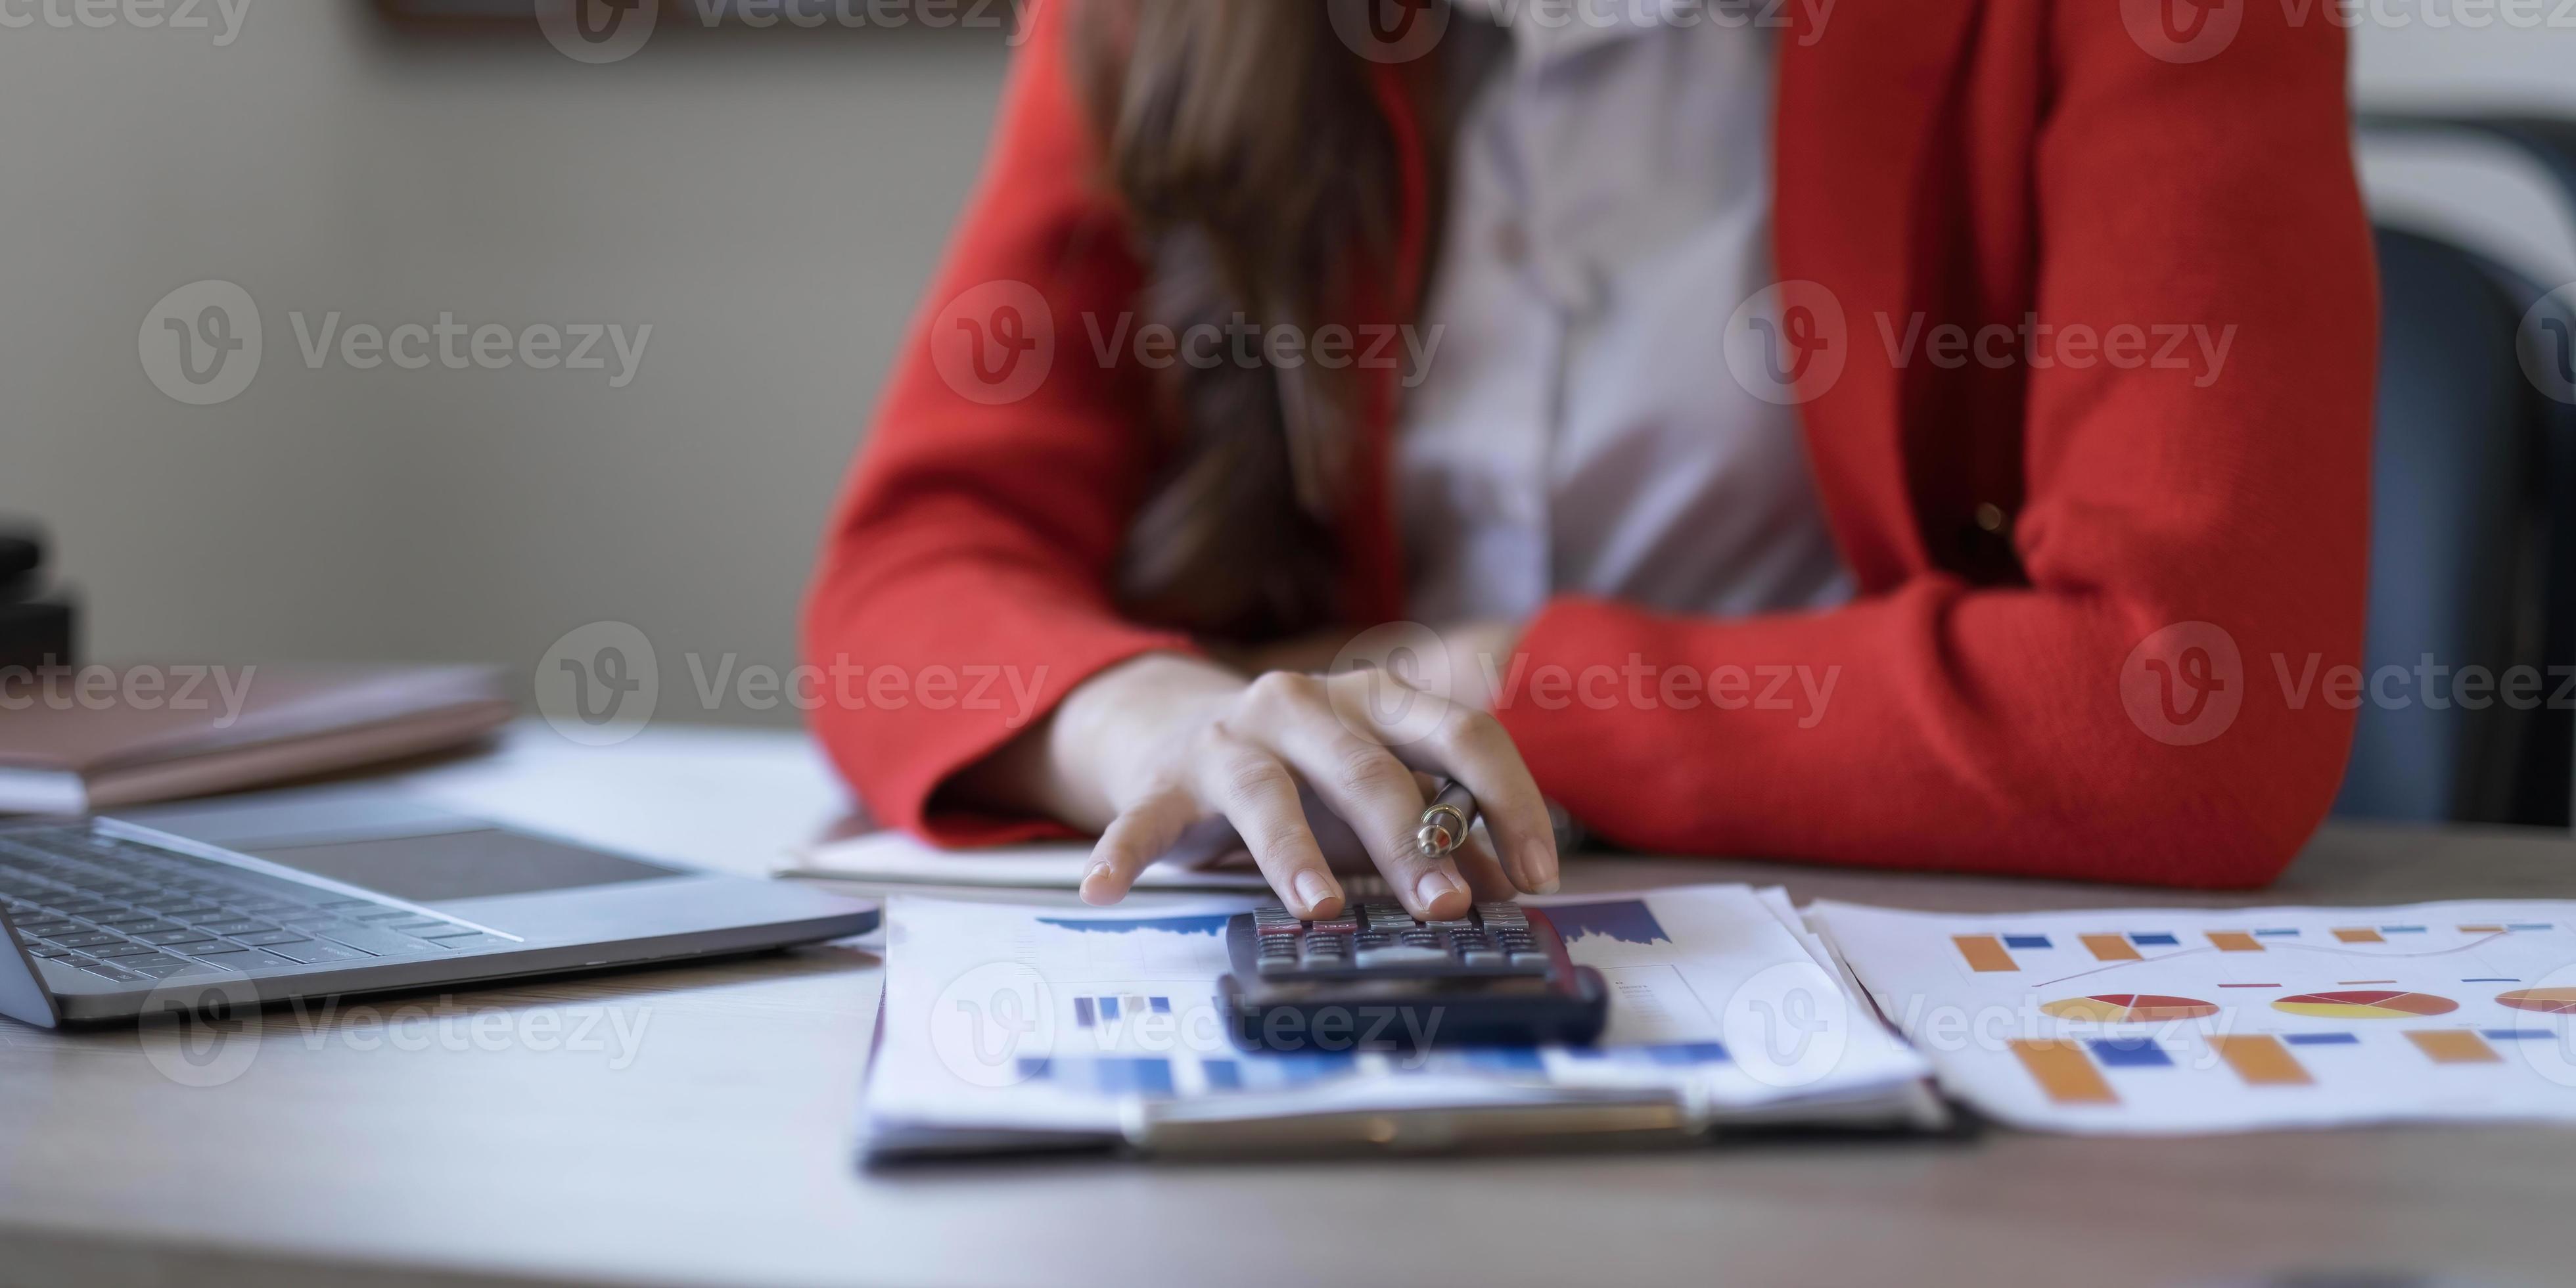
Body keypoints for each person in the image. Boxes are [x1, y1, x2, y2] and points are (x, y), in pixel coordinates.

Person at [802, 0, 2378, 921]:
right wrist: (1168, 720)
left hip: (1894, 977)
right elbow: (908, 580)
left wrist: (1479, 686)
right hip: (1353, 964)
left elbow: (2189, 700)